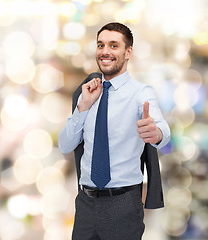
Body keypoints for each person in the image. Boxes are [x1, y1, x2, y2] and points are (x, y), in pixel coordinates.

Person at [58, 22, 170, 240]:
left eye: (113, 45)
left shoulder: (140, 93)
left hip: (123, 204)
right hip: (86, 204)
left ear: (128, 52)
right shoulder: (87, 93)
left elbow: (162, 130)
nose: (105, 52)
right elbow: (65, 144)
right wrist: (82, 108)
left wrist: (155, 132)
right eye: (100, 45)